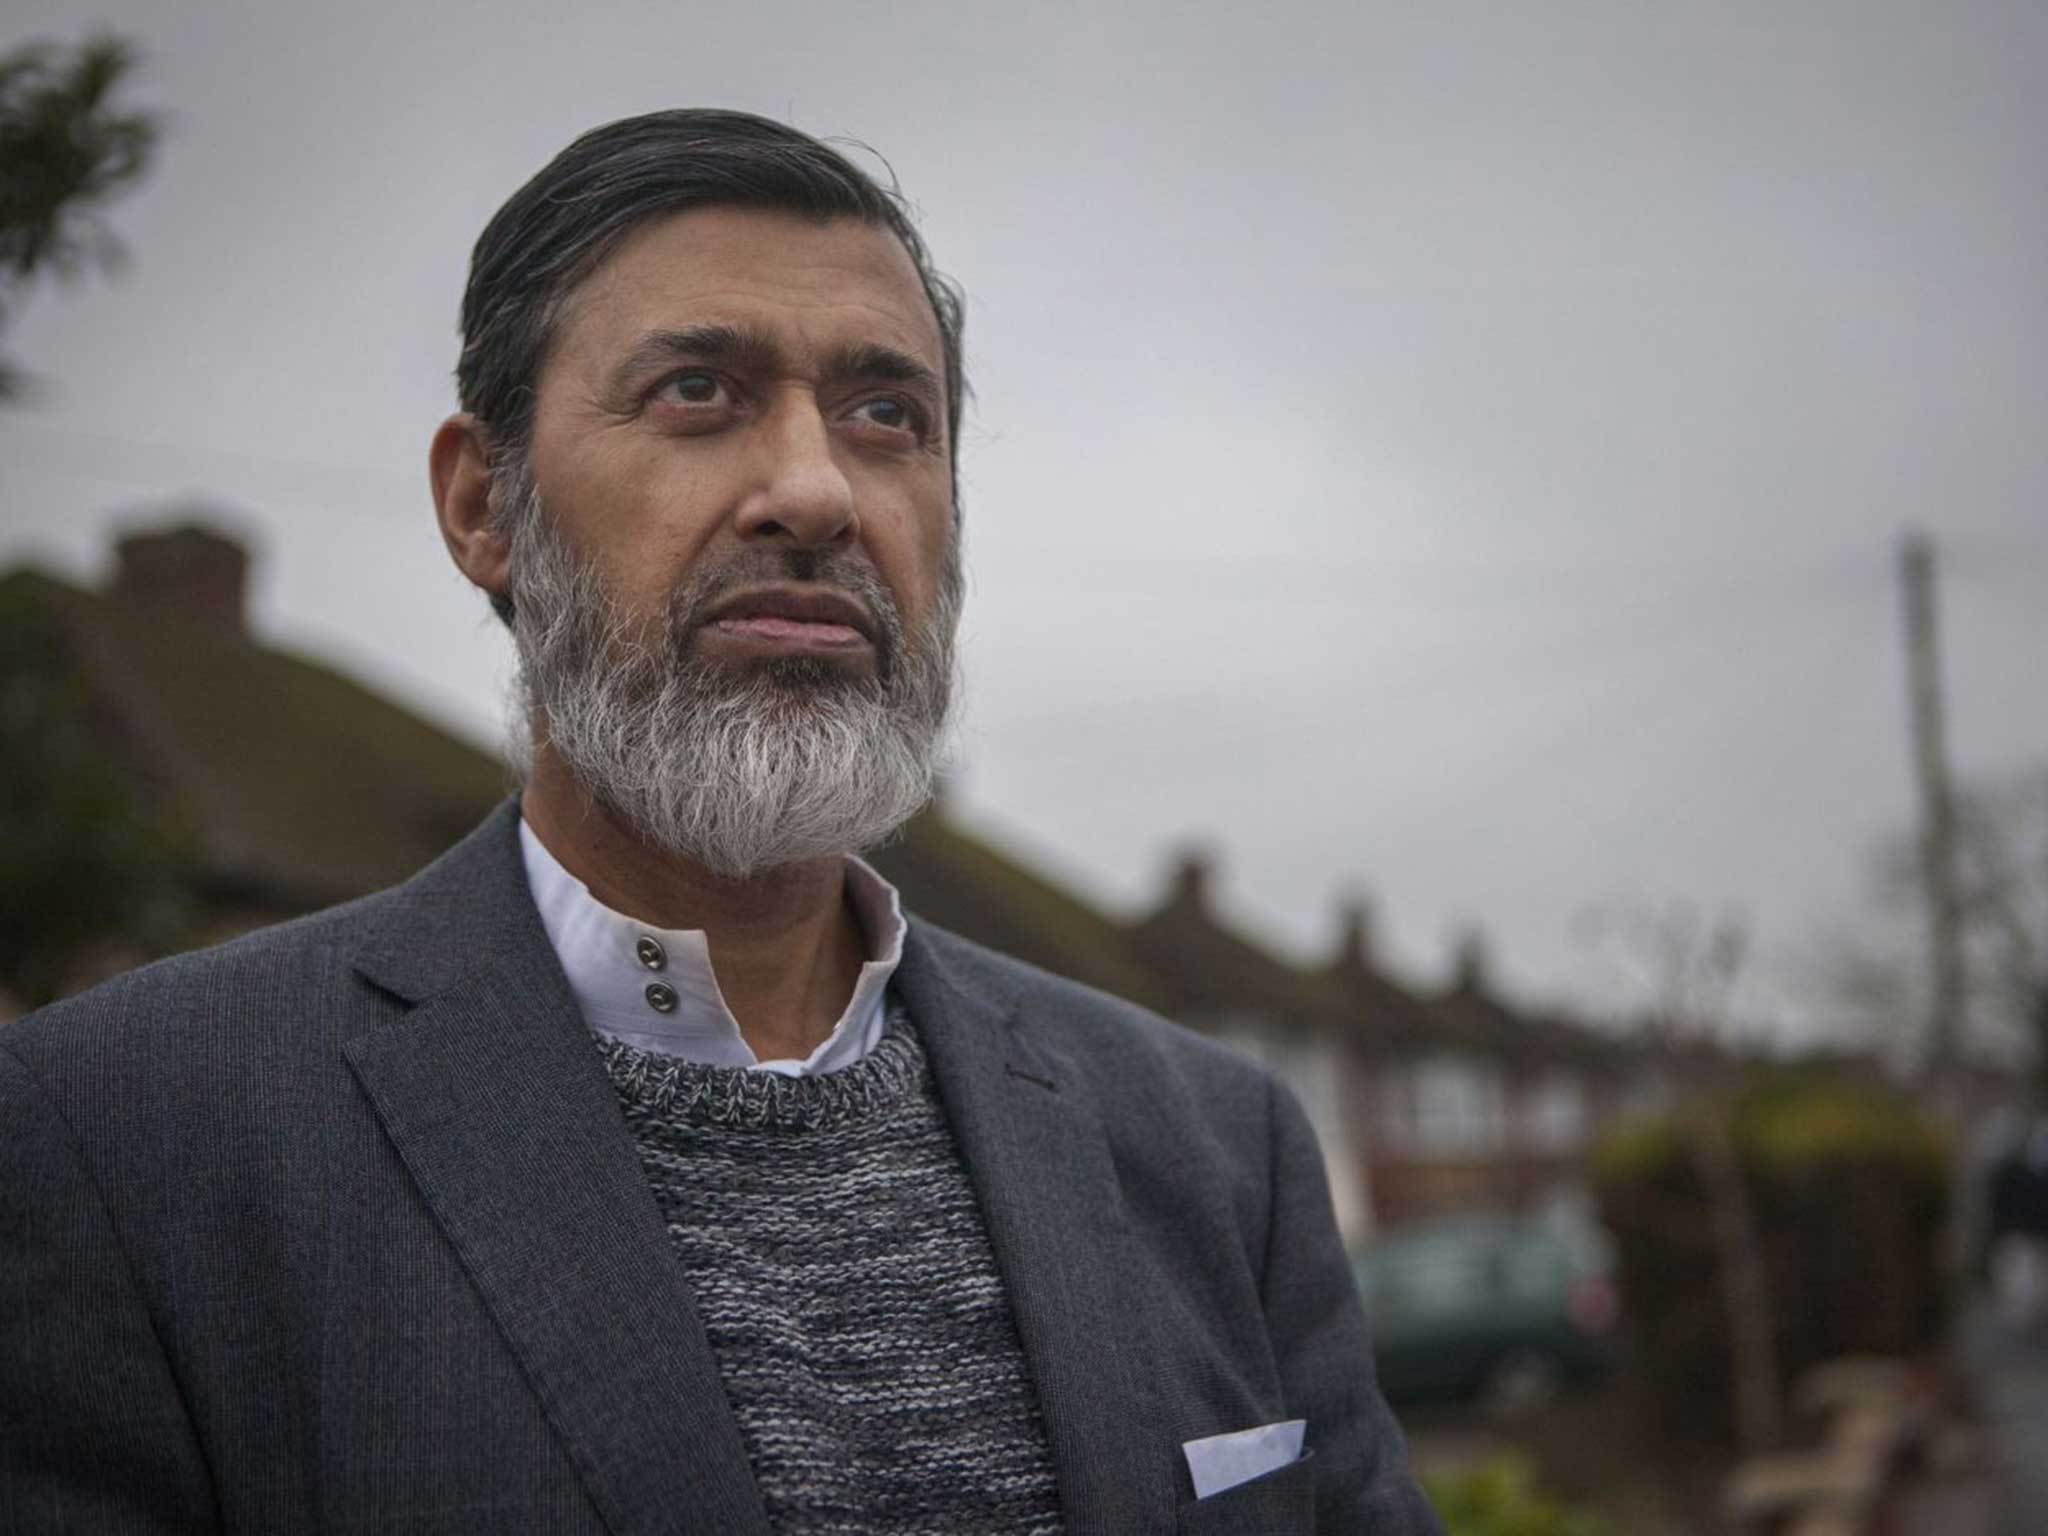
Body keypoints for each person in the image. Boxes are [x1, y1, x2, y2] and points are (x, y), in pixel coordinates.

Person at [0, 110, 1439, 1535]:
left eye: (889, 415)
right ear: (482, 501)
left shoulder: (1217, 1146)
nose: (817, 490)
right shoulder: (117, 1146)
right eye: (699, 390)